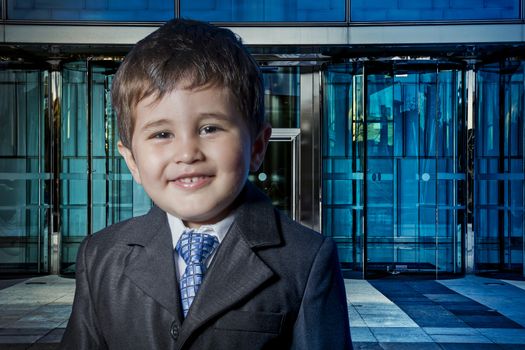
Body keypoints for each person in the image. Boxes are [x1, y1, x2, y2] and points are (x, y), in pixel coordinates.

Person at [60, 18, 352, 350]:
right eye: (161, 134)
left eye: (210, 128)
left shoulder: (306, 258)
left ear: (256, 147)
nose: (187, 153)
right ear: (132, 162)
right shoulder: (100, 255)